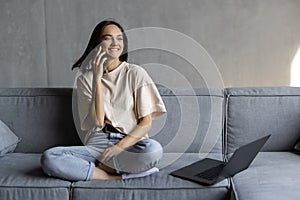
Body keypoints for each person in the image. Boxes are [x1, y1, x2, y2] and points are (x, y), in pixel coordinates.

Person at [40, 20, 167, 181]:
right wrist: (97, 79)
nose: (115, 43)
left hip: (129, 144)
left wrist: (117, 148)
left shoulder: (135, 73)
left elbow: (146, 123)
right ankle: (114, 177)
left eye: (119, 38)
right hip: (97, 145)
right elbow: (98, 122)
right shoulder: (85, 79)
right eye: (108, 38)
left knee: (154, 150)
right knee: (50, 157)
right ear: (98, 44)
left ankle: (99, 169)